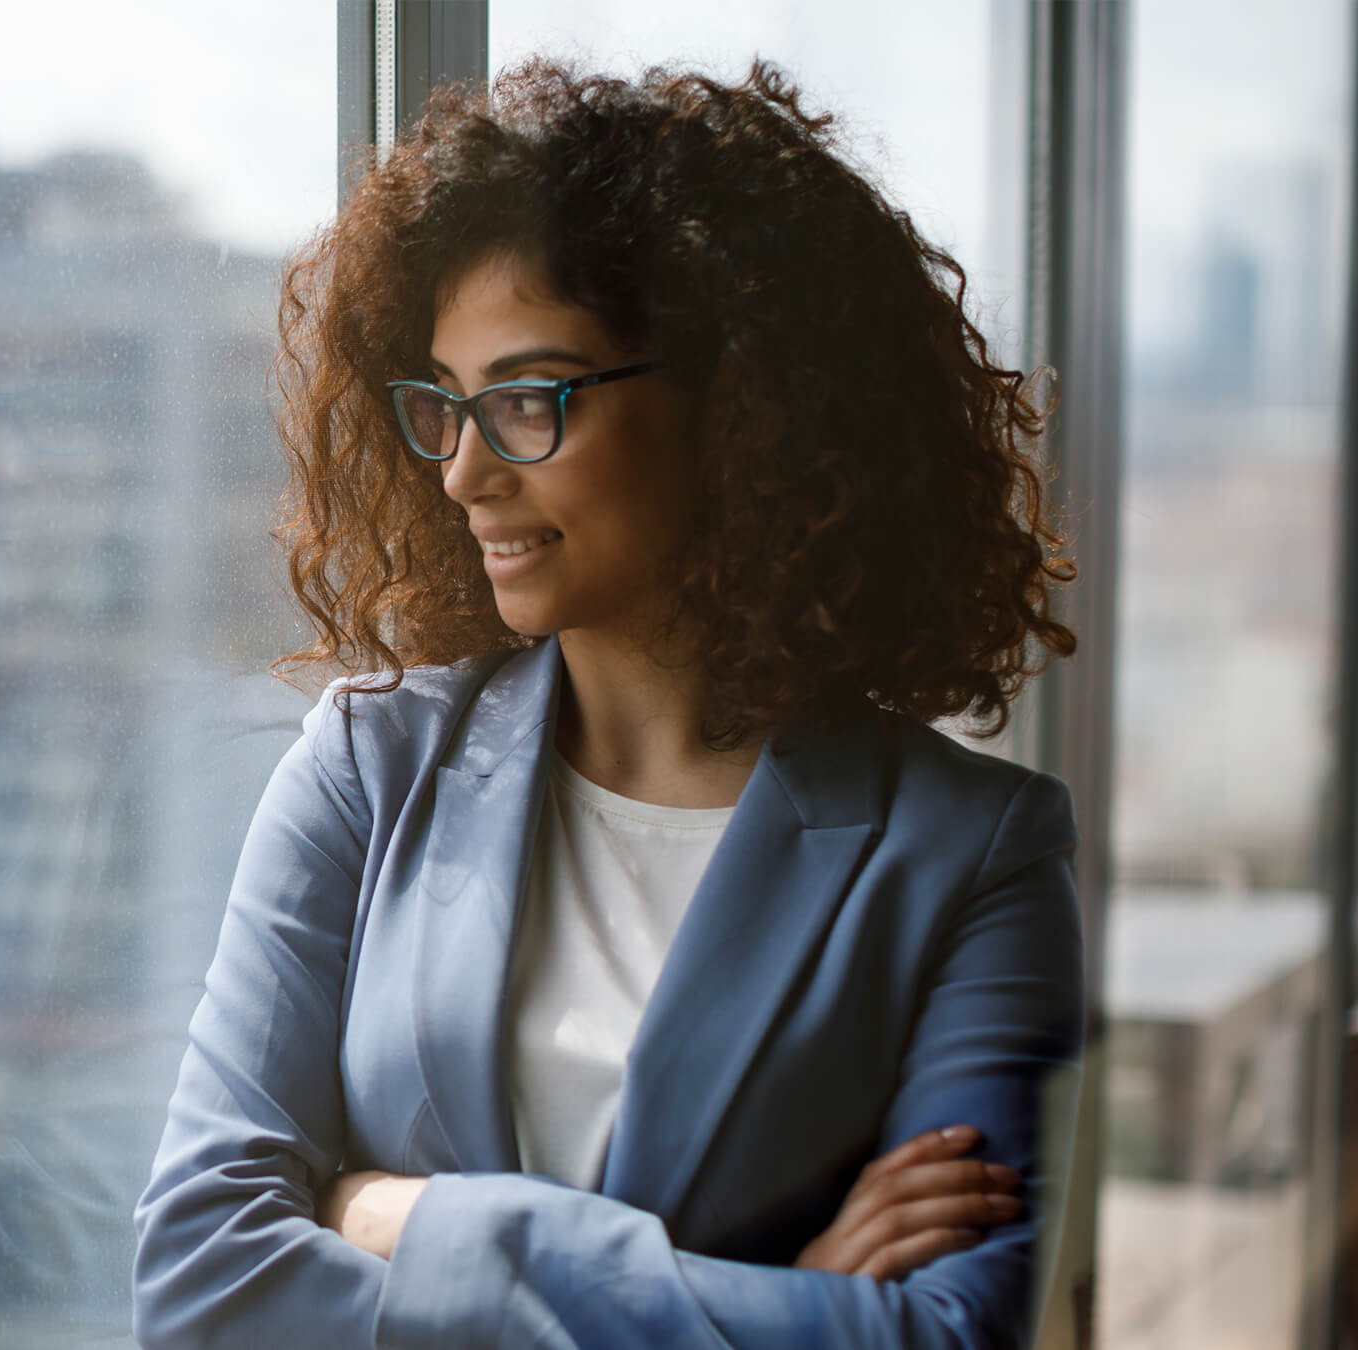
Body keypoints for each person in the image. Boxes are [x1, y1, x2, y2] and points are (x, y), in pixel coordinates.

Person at [134, 55, 1083, 1349]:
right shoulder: (371, 763)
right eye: (444, 407)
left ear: (740, 405)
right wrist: (778, 1293)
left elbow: (951, 1336)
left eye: (528, 399)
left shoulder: (974, 854)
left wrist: (403, 1216)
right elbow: (202, 1272)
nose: (464, 471)